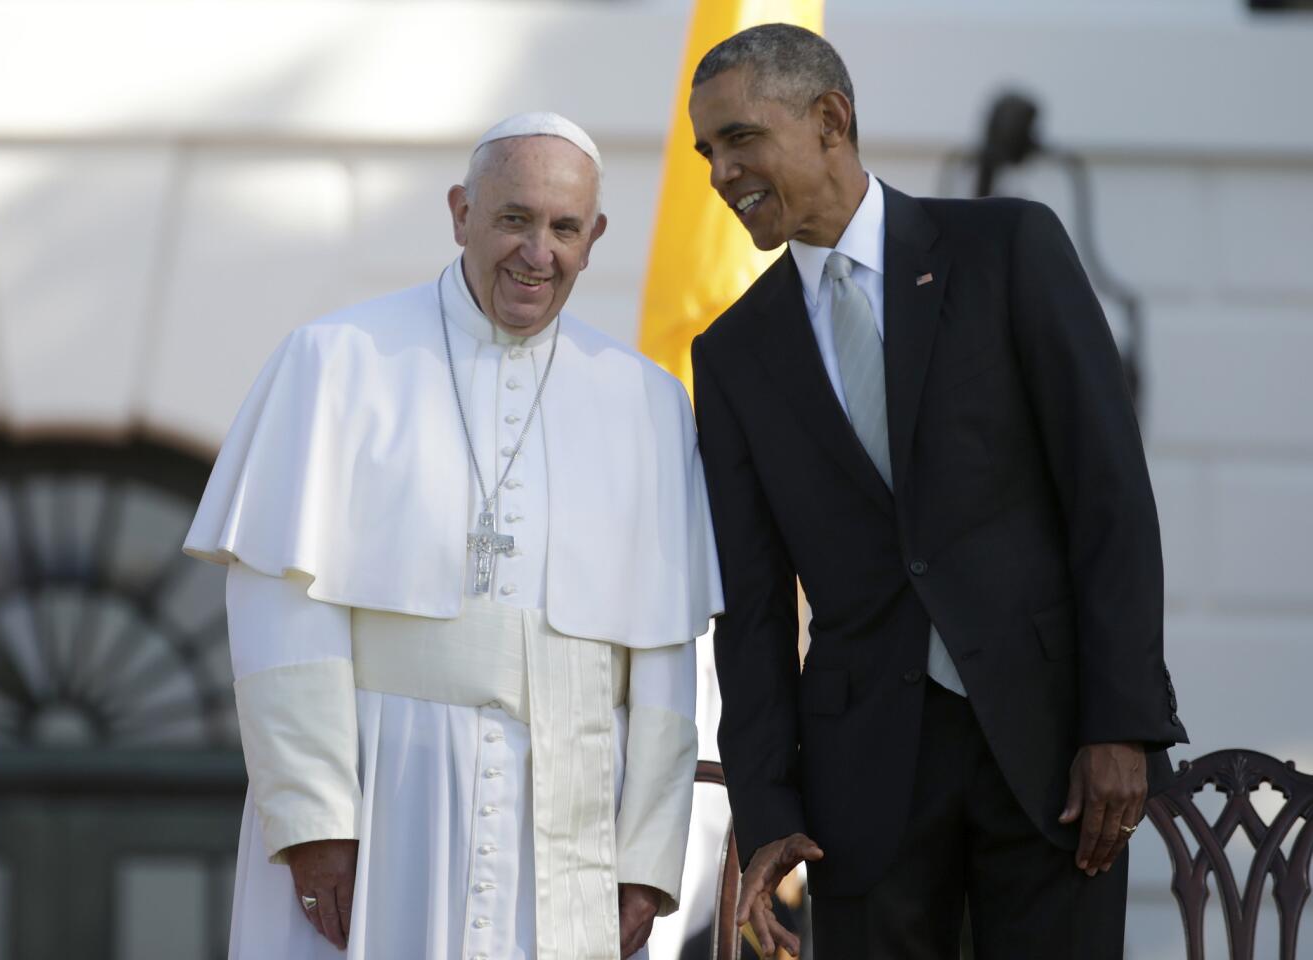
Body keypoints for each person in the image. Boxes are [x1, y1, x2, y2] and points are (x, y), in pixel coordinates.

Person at [686, 24, 1187, 959]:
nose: (720, 171)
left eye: (739, 138)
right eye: (707, 151)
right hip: (861, 791)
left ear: (830, 119)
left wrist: (1120, 723)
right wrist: (767, 807)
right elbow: (749, 606)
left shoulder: (1005, 249)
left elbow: (1108, 496)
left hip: (1054, 767)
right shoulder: (730, 353)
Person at [185, 112, 721, 960]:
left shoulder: (646, 403)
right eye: (513, 219)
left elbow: (663, 650)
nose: (536, 253)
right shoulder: (335, 360)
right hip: (385, 794)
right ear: (460, 213)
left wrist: (647, 858)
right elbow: (279, 606)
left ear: (595, 239)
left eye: (563, 228)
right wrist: (316, 817)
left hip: (571, 815)